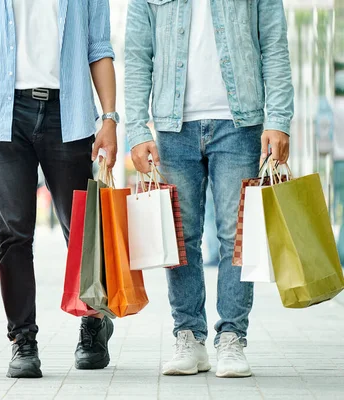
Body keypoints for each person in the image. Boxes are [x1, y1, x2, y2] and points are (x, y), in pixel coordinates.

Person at [125, 0, 294, 378]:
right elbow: (137, 54)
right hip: (173, 127)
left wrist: (279, 119)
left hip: (240, 122)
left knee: (237, 233)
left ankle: (232, 338)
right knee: (181, 236)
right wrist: (136, 129)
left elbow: (274, 44)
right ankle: (189, 336)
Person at [0, 0, 119, 379]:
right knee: (13, 232)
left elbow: (99, 47)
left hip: (69, 111)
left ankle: (93, 323)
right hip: (5, 114)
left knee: (80, 229)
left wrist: (109, 118)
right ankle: (23, 340)